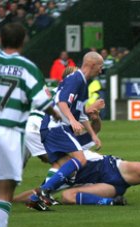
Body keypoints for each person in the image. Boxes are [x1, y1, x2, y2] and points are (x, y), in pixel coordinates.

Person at [0, 23, 59, 227]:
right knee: (5, 193)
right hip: (8, 133)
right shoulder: (26, 67)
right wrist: (57, 115)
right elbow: (42, 101)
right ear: (24, 40)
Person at [31, 51, 104, 206]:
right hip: (56, 126)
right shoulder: (76, 78)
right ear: (92, 64)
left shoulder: (83, 82)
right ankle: (44, 191)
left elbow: (82, 114)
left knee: (65, 166)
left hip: (52, 127)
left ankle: (38, 197)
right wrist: (72, 121)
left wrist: (93, 135)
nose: (101, 69)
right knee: (80, 159)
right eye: (100, 66)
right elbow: (60, 101)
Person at [20, 152, 140, 210]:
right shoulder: (54, 174)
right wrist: (9, 199)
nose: (42, 158)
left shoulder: (72, 148)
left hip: (116, 168)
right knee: (68, 196)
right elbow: (38, 191)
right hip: (106, 187)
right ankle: (112, 202)